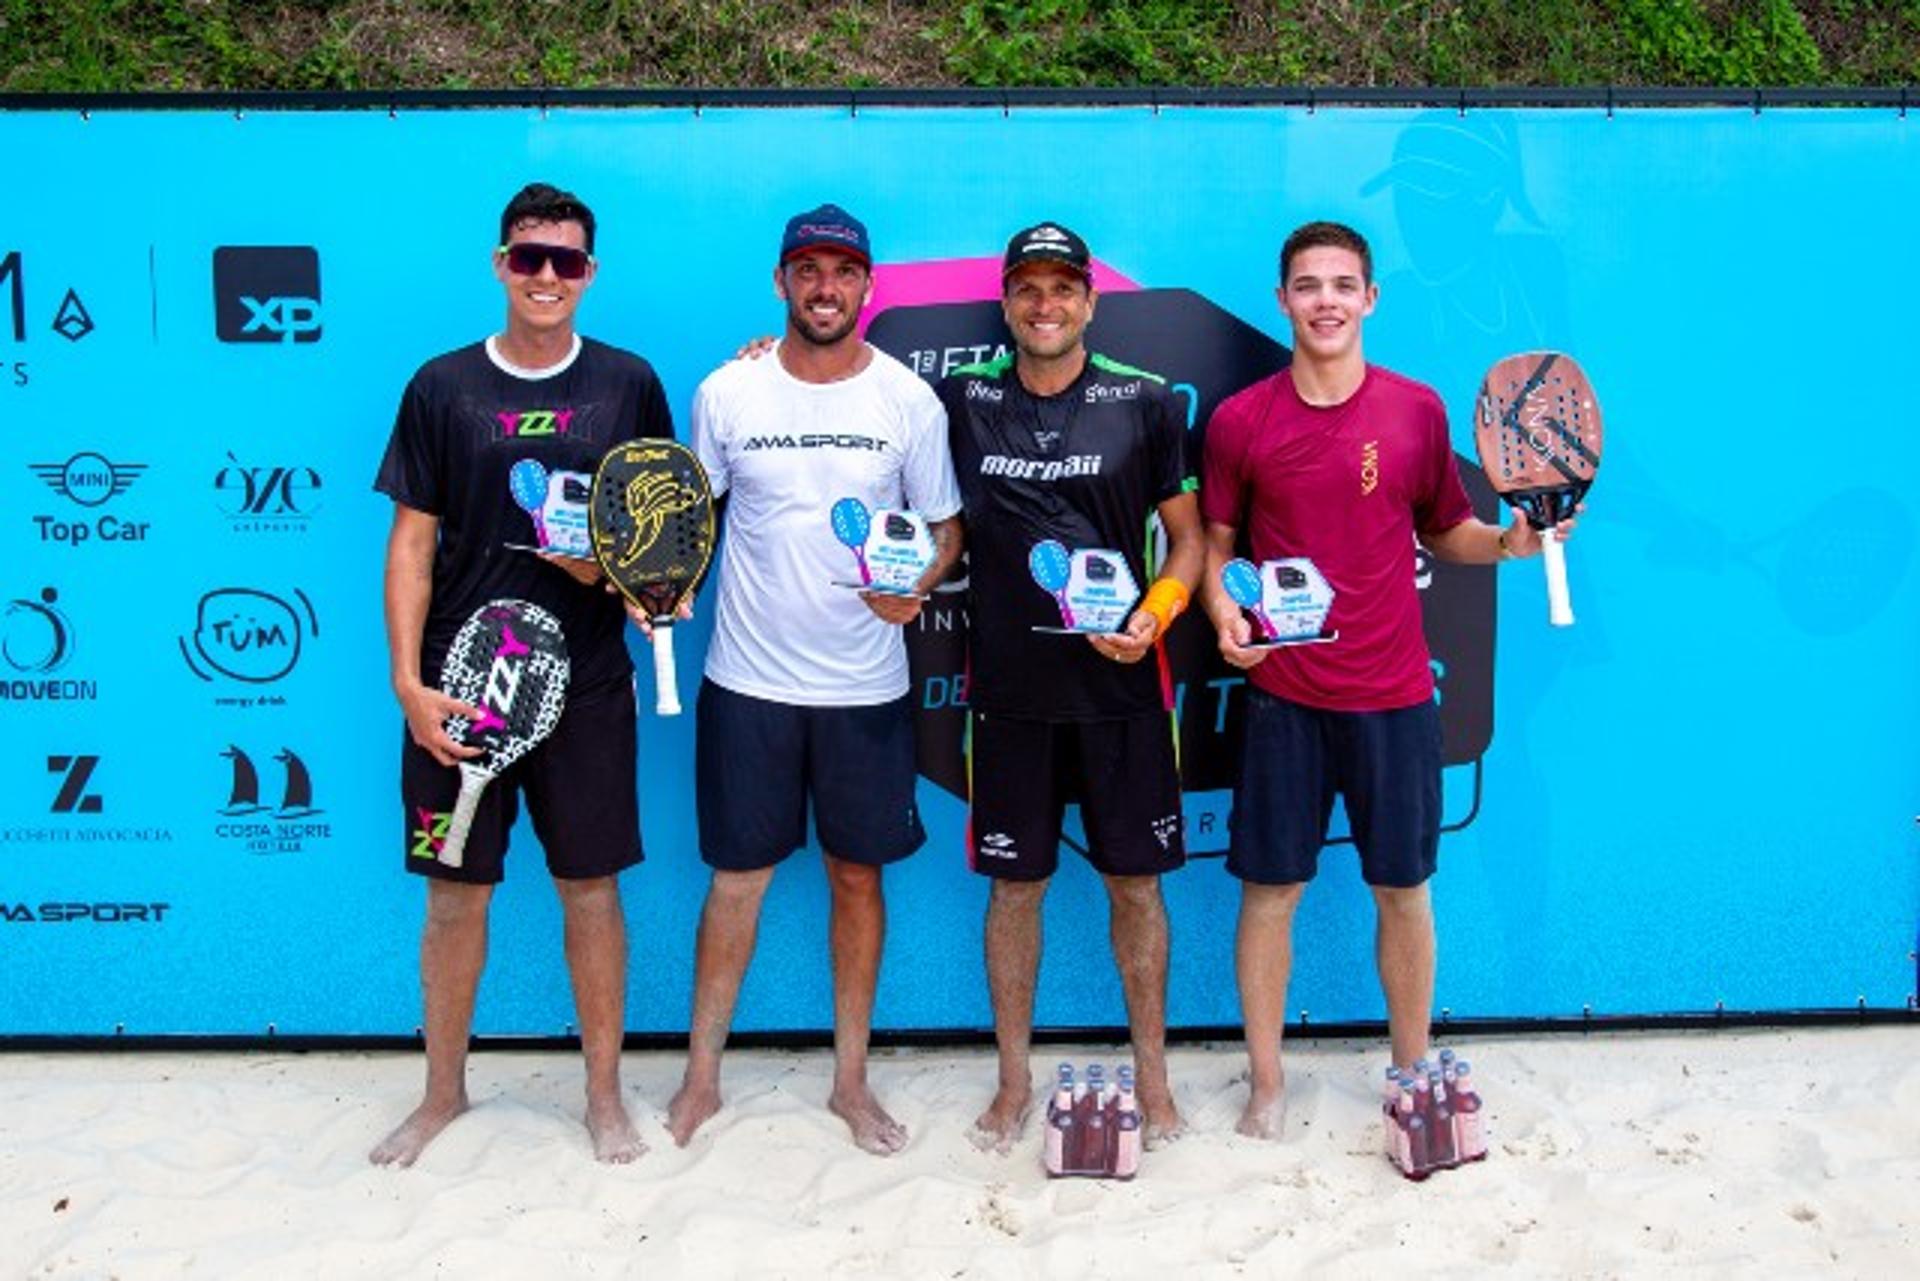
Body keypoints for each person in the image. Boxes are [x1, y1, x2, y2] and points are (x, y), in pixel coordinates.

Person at [1198, 219, 1577, 1138]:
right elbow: (1214, 549)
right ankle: (1267, 1081)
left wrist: (1513, 542)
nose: (1324, 299)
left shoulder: (1416, 410)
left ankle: (1410, 1069)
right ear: (1282, 300)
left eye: (1341, 283)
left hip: (1398, 699)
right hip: (1286, 700)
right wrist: (1221, 615)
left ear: (1370, 299)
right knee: (1269, 893)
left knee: (1403, 891)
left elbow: (1447, 532)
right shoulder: (1241, 421)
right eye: (1307, 284)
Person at [371, 182, 673, 1166]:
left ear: (590, 274)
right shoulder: (441, 387)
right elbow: (411, 545)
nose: (548, 276)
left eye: (568, 261)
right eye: (530, 257)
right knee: (455, 900)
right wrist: (410, 689)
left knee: (591, 893)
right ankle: (442, 1095)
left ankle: (603, 1099)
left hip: (585, 690)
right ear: (501, 264)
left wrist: (619, 579)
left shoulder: (628, 383)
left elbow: (651, 537)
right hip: (461, 691)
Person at [666, 203, 963, 1156]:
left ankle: (849, 1081)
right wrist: (662, 588)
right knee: (738, 880)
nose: (824, 286)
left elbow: (947, 527)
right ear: (781, 282)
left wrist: (917, 579)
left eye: (842, 271)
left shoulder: (908, 401)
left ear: (867, 286)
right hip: (745, 684)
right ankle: (700, 1077)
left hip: (866, 691)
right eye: (807, 269)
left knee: (855, 876)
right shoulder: (727, 392)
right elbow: (689, 524)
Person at [937, 222, 1204, 1152]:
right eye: (1027, 289)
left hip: (1124, 695)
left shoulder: (1146, 401)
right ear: (1007, 303)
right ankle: (1014, 1082)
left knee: (1138, 890)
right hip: (1009, 698)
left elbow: (1193, 537)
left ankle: (1157, 1082)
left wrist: (1161, 609)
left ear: (1090, 301)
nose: (1044, 305)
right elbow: (929, 509)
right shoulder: (962, 401)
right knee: (1015, 894)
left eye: (1062, 289)